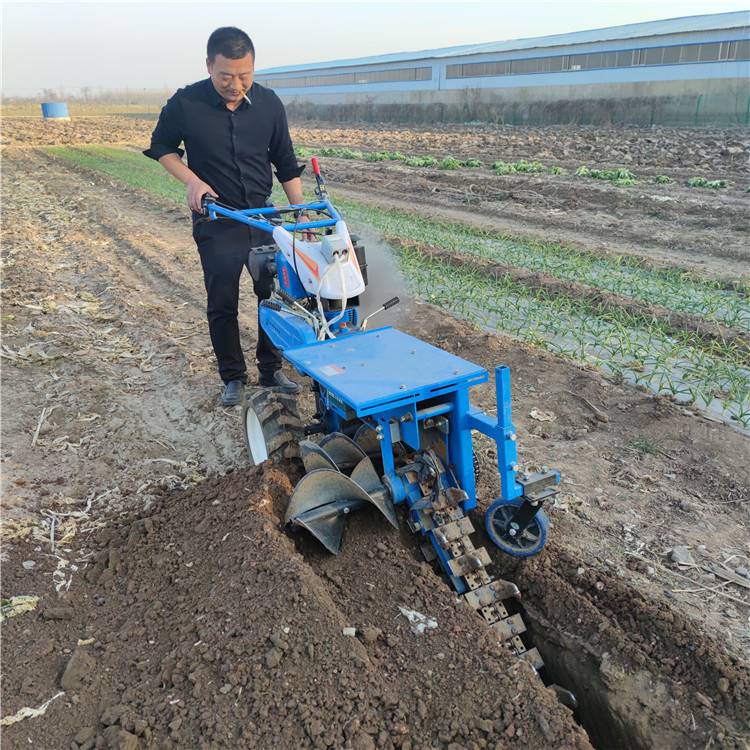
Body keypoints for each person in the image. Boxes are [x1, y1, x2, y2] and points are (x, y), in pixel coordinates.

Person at [144, 26, 304, 405]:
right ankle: (232, 376)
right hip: (217, 220)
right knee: (222, 301)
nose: (236, 85)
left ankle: (270, 368)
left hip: (263, 218)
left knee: (273, 298)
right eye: (226, 76)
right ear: (209, 66)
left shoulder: (269, 104)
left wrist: (299, 211)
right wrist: (192, 181)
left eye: (245, 76)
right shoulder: (186, 103)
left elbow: (284, 159)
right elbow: (162, 147)